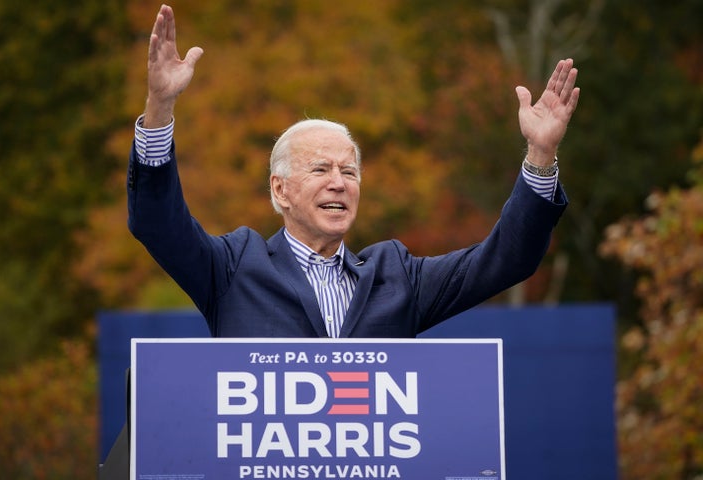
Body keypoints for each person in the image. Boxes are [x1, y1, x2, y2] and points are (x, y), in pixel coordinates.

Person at [128, 4, 580, 338]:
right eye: (321, 168)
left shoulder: (397, 278)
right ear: (280, 190)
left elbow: (507, 259)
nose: (339, 182)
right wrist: (160, 107)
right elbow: (157, 222)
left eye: (349, 171)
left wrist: (540, 155)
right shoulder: (232, 268)